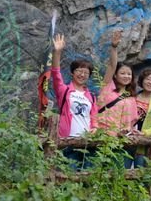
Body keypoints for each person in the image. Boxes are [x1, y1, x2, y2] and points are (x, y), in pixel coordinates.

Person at [50, 33, 98, 169]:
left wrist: (95, 128)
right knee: (68, 174)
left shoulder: (91, 96)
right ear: (72, 72)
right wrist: (57, 52)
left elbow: (94, 118)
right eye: (79, 71)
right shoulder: (64, 90)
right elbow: (56, 73)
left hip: (87, 143)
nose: (82, 74)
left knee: (87, 176)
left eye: (86, 73)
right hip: (68, 141)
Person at [95, 30, 138, 135]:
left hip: (117, 139)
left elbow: (130, 123)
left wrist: (127, 131)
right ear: (115, 75)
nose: (126, 76)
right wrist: (114, 47)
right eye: (122, 73)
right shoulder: (107, 87)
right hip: (99, 134)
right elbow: (112, 66)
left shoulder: (131, 98)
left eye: (129, 74)